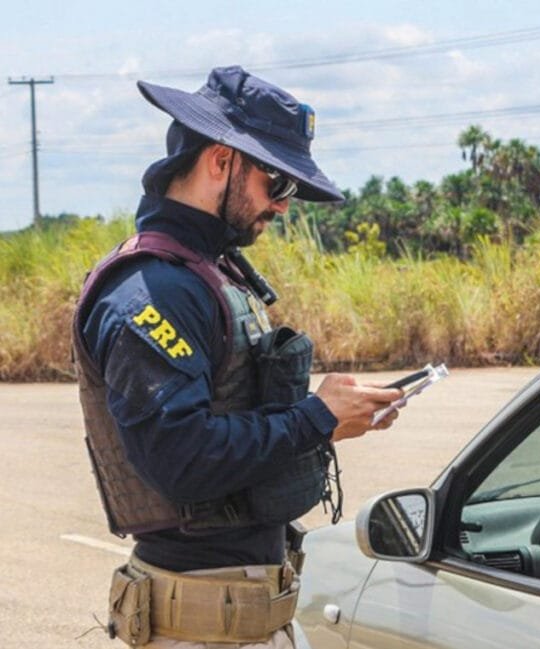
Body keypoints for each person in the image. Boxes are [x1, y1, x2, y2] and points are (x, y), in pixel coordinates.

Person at [73, 66, 404, 648]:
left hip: (251, 615)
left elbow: (232, 417)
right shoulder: (154, 290)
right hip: (201, 626)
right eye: (277, 183)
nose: (283, 207)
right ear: (221, 161)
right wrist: (315, 419)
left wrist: (329, 419)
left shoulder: (207, 273)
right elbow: (181, 458)